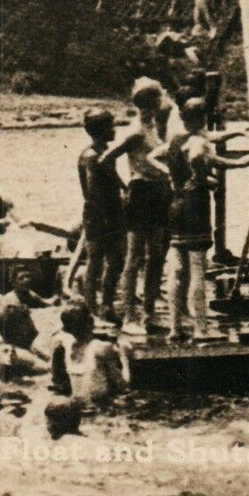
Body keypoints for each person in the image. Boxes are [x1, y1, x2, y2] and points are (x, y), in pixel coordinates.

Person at [151, 98, 249, 341]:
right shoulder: (198, 141)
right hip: (195, 205)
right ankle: (201, 329)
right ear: (202, 118)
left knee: (177, 270)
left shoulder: (177, 137)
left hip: (176, 203)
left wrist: (239, 131)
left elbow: (157, 156)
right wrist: (235, 165)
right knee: (198, 269)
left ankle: (175, 327)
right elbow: (199, 155)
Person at [101, 77, 176, 334]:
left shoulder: (153, 125)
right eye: (159, 98)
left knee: (156, 256)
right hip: (141, 193)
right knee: (134, 257)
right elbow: (106, 159)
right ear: (152, 103)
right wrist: (124, 186)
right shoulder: (134, 131)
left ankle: (149, 313)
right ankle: (129, 315)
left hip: (158, 192)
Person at [77, 108, 126, 320]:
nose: (114, 130)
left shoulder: (103, 152)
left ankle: (106, 304)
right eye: (110, 126)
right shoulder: (91, 156)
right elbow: (93, 190)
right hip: (98, 214)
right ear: (99, 130)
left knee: (116, 261)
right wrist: (106, 215)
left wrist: (125, 188)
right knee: (95, 261)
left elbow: (112, 174)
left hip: (110, 211)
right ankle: (91, 307)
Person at [50, 303, 128, 405]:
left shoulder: (64, 344)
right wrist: (124, 356)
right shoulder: (101, 347)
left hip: (75, 402)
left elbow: (56, 380)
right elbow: (122, 385)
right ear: (91, 322)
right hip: (98, 403)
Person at [0, 267, 52, 380]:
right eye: (28, 323)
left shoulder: (22, 349)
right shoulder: (17, 354)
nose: (34, 329)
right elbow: (47, 368)